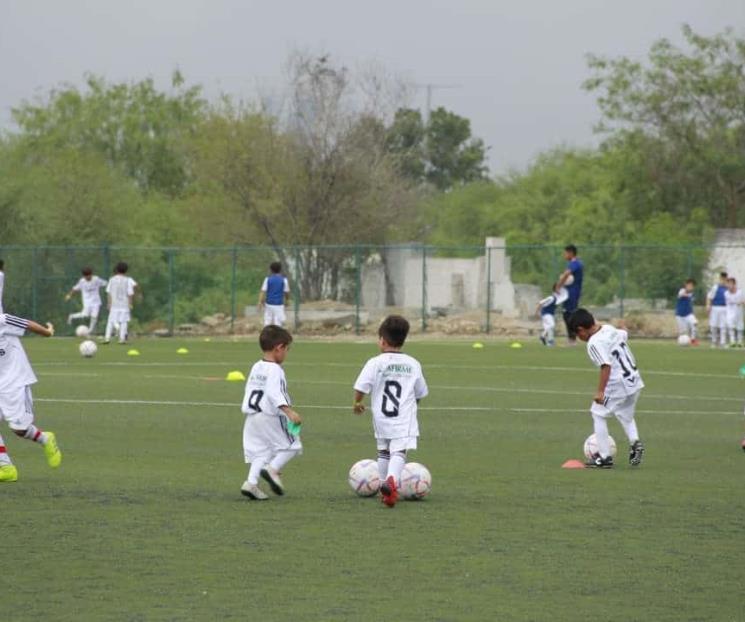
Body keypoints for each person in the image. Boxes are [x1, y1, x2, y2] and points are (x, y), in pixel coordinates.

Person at [353, 315, 429, 507]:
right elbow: (420, 392)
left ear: (382, 341)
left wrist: (357, 402)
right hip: (403, 417)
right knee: (399, 452)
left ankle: (383, 486)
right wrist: (413, 405)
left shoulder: (375, 362)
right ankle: (391, 481)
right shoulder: (413, 363)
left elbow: (361, 388)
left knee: (383, 452)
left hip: (381, 416)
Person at [568, 308, 645, 469]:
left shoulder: (594, 343)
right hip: (634, 381)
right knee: (625, 415)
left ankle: (604, 457)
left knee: (597, 412)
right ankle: (635, 442)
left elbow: (606, 365)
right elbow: (623, 334)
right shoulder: (609, 329)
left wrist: (601, 392)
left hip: (618, 385)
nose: (579, 338)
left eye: (577, 334)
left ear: (581, 330)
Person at [240, 325, 303, 500]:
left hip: (252, 416)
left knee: (262, 453)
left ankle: (251, 483)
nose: (286, 354)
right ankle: (273, 469)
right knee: (293, 445)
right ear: (279, 348)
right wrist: (289, 412)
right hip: (270, 415)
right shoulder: (276, 370)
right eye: (287, 349)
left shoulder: (256, 366)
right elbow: (274, 393)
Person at [0, 313, 62, 482]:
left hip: (15, 381)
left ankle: (45, 438)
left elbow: (27, 324)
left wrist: (48, 332)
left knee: (19, 429)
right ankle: (6, 468)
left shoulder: (2, 320)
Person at [65, 267, 108, 334]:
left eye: (89, 275)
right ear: (84, 276)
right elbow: (75, 289)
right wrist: (69, 295)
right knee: (85, 315)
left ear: (91, 274)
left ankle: (89, 331)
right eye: (86, 276)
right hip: (87, 302)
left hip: (96, 302)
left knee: (94, 316)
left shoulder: (96, 279)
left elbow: (105, 283)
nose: (88, 277)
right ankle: (72, 316)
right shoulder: (82, 281)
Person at [556, 245, 584, 345]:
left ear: (571, 253)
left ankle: (573, 339)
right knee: (567, 314)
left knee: (570, 315)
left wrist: (558, 286)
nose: (564, 255)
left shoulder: (575, 263)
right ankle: (572, 339)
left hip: (573, 293)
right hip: (569, 293)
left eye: (565, 253)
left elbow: (566, 274)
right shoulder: (573, 263)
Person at [104, 262, 137, 345]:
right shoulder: (128, 280)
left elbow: (109, 292)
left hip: (114, 304)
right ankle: (122, 339)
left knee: (110, 321)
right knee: (124, 321)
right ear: (126, 270)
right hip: (124, 305)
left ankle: (107, 338)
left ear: (117, 269)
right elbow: (130, 293)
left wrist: (109, 303)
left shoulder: (112, 279)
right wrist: (130, 303)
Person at [258, 262, 291, 327]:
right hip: (279, 304)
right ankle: (277, 336)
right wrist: (287, 300)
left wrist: (260, 302)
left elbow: (263, 291)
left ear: (271, 270)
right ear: (280, 269)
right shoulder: (284, 280)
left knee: (267, 321)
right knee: (278, 322)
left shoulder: (267, 279)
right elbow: (286, 292)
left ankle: (266, 335)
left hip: (269, 303)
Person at [535, 282, 568, 347]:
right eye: (559, 289)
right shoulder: (551, 298)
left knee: (549, 328)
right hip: (546, 314)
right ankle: (542, 336)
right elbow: (541, 303)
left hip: (549, 314)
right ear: (555, 289)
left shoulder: (556, 298)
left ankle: (550, 342)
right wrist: (537, 312)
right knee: (551, 325)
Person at [706, 272, 728, 348]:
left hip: (725, 308)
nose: (723, 280)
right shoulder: (715, 287)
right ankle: (714, 341)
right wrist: (708, 305)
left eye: (725, 279)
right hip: (715, 307)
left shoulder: (728, 288)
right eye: (722, 278)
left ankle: (723, 342)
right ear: (720, 279)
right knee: (713, 325)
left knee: (723, 326)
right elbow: (709, 297)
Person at [675, 278, 698, 344]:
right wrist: (687, 294)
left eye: (692, 286)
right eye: (689, 285)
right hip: (680, 314)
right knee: (683, 332)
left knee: (694, 323)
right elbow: (680, 295)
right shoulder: (682, 290)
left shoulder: (692, 294)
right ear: (686, 285)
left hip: (688, 313)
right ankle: (682, 341)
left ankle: (693, 340)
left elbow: (691, 301)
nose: (690, 287)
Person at [724, 277, 744, 347]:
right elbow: (729, 302)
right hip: (730, 312)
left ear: (734, 284)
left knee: (739, 326)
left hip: (739, 311)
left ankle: (740, 342)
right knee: (730, 325)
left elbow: (743, 301)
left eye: (730, 283)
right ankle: (732, 341)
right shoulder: (726, 293)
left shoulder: (740, 292)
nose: (729, 285)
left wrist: (741, 303)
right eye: (728, 283)